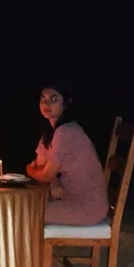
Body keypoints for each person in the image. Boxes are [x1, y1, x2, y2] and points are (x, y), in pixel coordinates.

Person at [25, 83, 109, 225]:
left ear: (66, 103)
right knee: (23, 208)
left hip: (88, 206)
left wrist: (29, 169)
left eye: (53, 99)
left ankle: (23, 247)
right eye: (43, 99)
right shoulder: (50, 132)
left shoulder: (67, 132)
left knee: (26, 213)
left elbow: (43, 174)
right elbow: (41, 166)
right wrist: (53, 180)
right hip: (70, 198)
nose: (46, 104)